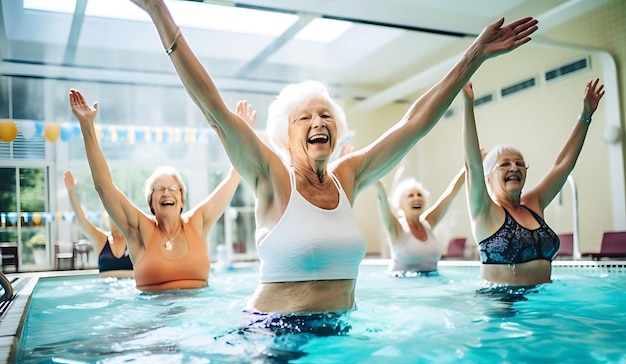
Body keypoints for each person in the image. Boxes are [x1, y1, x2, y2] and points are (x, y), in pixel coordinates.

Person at [129, 0, 538, 313]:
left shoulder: (348, 175)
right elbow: (212, 105)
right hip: (277, 335)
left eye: (325, 114)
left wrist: (474, 57)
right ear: (285, 138)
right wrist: (159, 12)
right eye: (303, 117)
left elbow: (414, 123)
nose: (317, 121)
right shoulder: (271, 174)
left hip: (340, 332)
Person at [68, 89, 256, 291]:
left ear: (182, 199)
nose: (166, 192)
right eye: (159, 189)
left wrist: (242, 133)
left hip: (199, 312)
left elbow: (233, 176)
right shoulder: (139, 229)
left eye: (173, 188)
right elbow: (104, 186)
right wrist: (87, 126)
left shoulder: (198, 222)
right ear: (151, 202)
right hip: (154, 317)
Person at [462, 79, 604, 286]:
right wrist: (468, 105)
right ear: (489, 179)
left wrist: (586, 115)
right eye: (504, 164)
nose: (514, 167)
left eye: (520, 163)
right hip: (502, 307)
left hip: (542, 303)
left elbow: (562, 165)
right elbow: (473, 165)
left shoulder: (533, 203)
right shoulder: (484, 211)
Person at [375, 167, 465, 276]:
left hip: (431, 283)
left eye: (419, 195)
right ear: (400, 204)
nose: (416, 198)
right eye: (410, 196)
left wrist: (469, 166)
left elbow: (450, 193)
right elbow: (383, 200)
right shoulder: (397, 228)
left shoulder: (428, 222)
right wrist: (376, 181)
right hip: (402, 285)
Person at [64, 170, 134, 278]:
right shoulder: (101, 239)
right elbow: (82, 221)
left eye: (119, 217)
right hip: (104, 290)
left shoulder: (134, 239)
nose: (116, 221)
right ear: (108, 219)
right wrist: (71, 191)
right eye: (113, 217)